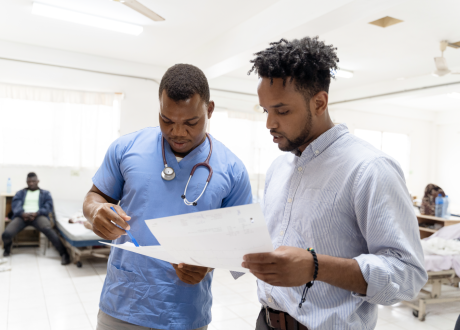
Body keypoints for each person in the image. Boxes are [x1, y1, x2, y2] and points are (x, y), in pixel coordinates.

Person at [241, 37, 428, 330]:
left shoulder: (370, 169)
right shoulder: (279, 167)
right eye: (266, 111)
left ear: (319, 102)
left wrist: (316, 267)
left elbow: (407, 277)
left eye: (282, 111)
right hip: (265, 321)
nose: (269, 124)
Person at [83, 64, 253, 330]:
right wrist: (95, 212)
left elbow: (241, 246)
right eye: (167, 120)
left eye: (190, 122)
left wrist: (208, 266)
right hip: (123, 304)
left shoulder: (232, 170)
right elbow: (94, 196)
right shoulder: (126, 148)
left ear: (209, 110)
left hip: (185, 312)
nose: (177, 132)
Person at [2, 172, 70, 265]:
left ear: (38, 181)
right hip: (22, 217)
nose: (31, 183)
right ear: (26, 182)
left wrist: (37, 213)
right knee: (6, 233)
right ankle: (7, 248)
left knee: (48, 229)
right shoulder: (20, 193)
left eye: (33, 181)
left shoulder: (45, 193)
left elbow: (48, 207)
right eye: (29, 181)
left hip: (38, 216)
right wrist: (22, 214)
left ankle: (64, 254)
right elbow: (15, 206)